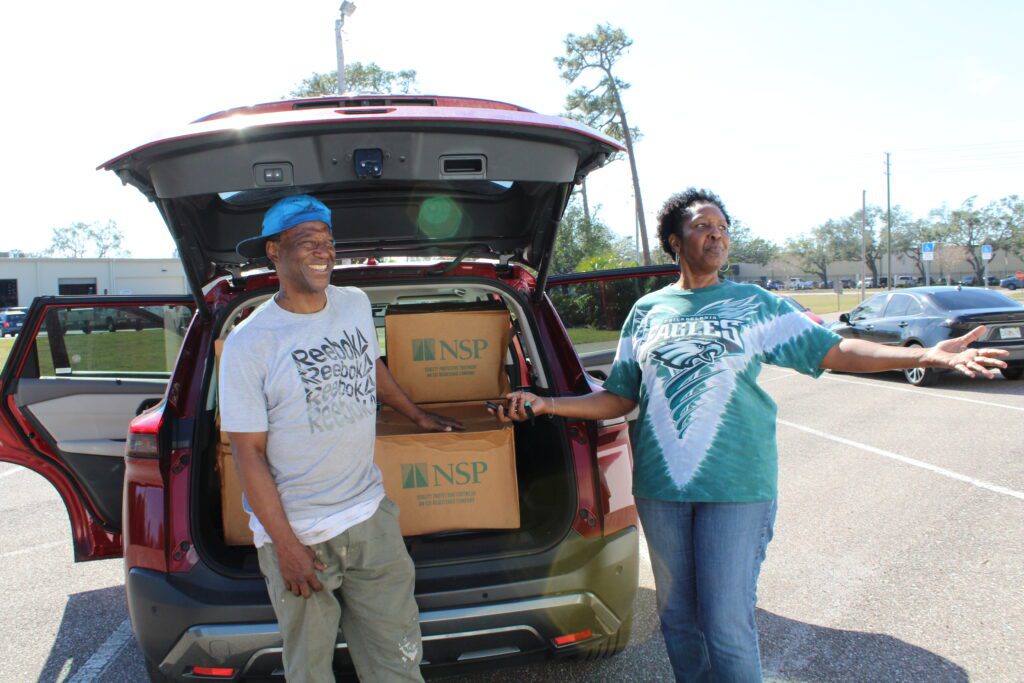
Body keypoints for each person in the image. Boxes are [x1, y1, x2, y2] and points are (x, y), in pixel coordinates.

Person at [494, 188, 1007, 682]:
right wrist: (547, 403)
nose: (716, 237)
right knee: (676, 620)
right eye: (702, 227)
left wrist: (925, 354)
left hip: (736, 488)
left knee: (725, 622)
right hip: (661, 491)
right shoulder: (648, 312)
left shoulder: (755, 303)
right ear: (674, 239)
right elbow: (622, 396)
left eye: (722, 229)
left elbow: (837, 352)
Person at [219, 194, 462, 683]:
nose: (322, 251)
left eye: (327, 241)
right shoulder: (250, 342)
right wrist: (286, 546)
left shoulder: (353, 304)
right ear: (274, 251)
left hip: (371, 520)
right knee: (310, 672)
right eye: (307, 241)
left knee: (398, 660)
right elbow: (247, 453)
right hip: (301, 535)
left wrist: (416, 416)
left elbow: (370, 367)